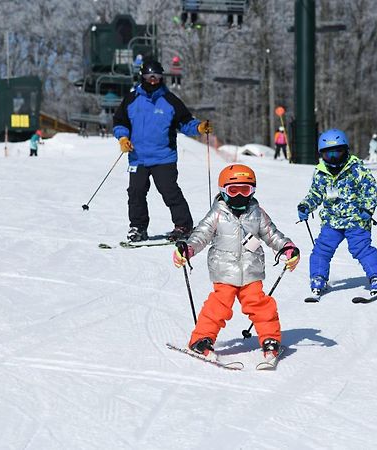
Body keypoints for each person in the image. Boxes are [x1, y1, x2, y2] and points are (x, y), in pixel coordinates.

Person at [173, 164, 300, 361]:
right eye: (233, 190)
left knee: (260, 305)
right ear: (223, 191)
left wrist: (287, 247)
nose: (239, 195)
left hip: (251, 271)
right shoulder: (217, 213)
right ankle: (202, 338)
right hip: (224, 271)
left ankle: (270, 339)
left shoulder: (257, 213)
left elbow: (272, 234)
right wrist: (187, 249)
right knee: (219, 305)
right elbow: (201, 235)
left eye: (245, 190)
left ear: (253, 191)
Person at [113, 59, 212, 243]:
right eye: (149, 76)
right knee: (135, 192)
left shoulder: (170, 101)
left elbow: (185, 122)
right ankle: (138, 227)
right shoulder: (132, 99)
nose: (152, 80)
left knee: (169, 191)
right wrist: (123, 138)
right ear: (142, 76)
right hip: (138, 157)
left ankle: (183, 226)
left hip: (163, 157)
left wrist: (198, 128)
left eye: (157, 76)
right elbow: (120, 122)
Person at [297, 128, 377, 298]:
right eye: (328, 154)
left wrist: (367, 209)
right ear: (321, 154)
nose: (333, 159)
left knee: (361, 248)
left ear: (346, 151)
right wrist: (305, 206)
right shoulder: (321, 173)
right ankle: (318, 277)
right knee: (321, 250)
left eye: (337, 153)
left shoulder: (356, 169)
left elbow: (371, 189)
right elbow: (315, 194)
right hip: (331, 222)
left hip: (356, 220)